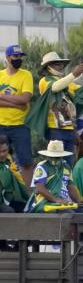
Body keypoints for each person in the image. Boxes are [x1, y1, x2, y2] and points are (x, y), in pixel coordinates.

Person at [38, 51, 83, 161]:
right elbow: (55, 87)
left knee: (69, 164)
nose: (60, 66)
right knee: (56, 163)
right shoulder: (44, 81)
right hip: (55, 129)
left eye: (60, 63)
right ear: (48, 66)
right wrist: (74, 74)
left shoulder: (66, 82)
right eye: (56, 63)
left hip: (69, 129)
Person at [0, 44, 33, 184]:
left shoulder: (26, 75)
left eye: (20, 56)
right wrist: (16, 104)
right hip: (1, 124)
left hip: (20, 126)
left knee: (26, 162)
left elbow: (25, 98)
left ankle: (29, 195)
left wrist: (2, 96)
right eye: (15, 56)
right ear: (7, 58)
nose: (18, 59)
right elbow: (21, 102)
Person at [25, 140, 83, 213]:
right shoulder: (42, 167)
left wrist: (79, 201)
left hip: (63, 202)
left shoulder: (66, 167)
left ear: (62, 156)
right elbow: (40, 188)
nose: (54, 159)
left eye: (57, 157)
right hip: (45, 203)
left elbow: (70, 187)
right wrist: (56, 200)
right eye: (51, 156)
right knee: (69, 214)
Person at [0, 135, 28, 212]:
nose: (2, 154)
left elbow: (19, 180)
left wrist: (16, 173)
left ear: (8, 148)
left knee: (27, 208)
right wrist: (8, 171)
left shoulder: (11, 160)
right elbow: (5, 182)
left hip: (9, 197)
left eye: (4, 151)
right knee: (10, 211)